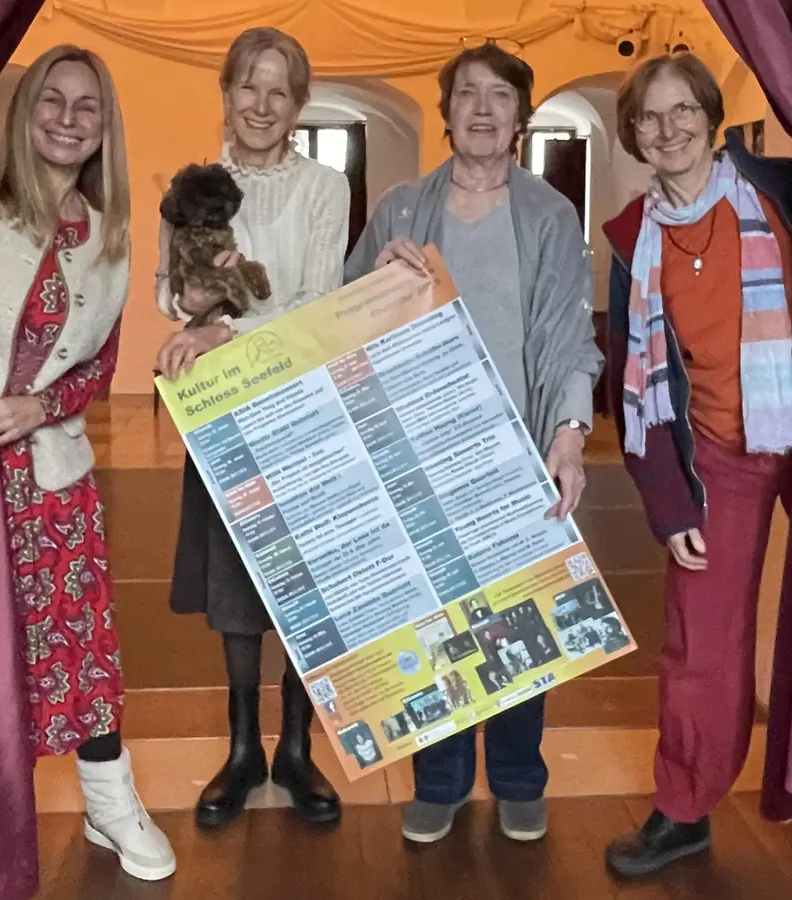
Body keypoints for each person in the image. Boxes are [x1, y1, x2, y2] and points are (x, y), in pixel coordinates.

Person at [0, 45, 175, 882]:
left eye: (88, 108)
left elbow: (99, 366)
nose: (69, 121)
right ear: (26, 110)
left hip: (53, 480)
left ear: (106, 128)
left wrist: (40, 406)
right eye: (53, 103)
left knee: (80, 646)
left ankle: (110, 807)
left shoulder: (107, 232)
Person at [344, 41, 603, 845]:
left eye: (499, 96)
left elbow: (568, 339)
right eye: (466, 95)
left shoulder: (551, 215)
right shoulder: (399, 208)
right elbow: (341, 319)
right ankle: (441, 779)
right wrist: (373, 283)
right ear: (446, 111)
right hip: (417, 452)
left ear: (521, 117)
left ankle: (520, 776)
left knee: (522, 620)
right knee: (433, 623)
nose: (482, 109)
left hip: (516, 449)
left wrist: (568, 431)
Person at [598, 53, 792, 878]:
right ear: (635, 135)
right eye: (651, 118)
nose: (669, 128)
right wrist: (669, 502)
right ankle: (684, 808)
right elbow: (632, 380)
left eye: (684, 110)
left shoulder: (783, 191)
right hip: (717, 453)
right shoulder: (629, 239)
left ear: (712, 116)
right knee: (702, 645)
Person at [157, 27, 351, 830]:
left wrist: (223, 330)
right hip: (223, 412)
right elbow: (171, 295)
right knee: (237, 592)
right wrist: (198, 315)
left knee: (302, 587)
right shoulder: (192, 187)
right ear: (226, 94)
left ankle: (297, 750)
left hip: (301, 408)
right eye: (249, 87)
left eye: (279, 91)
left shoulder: (323, 188)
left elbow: (317, 301)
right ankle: (242, 750)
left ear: (298, 104)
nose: (262, 105)